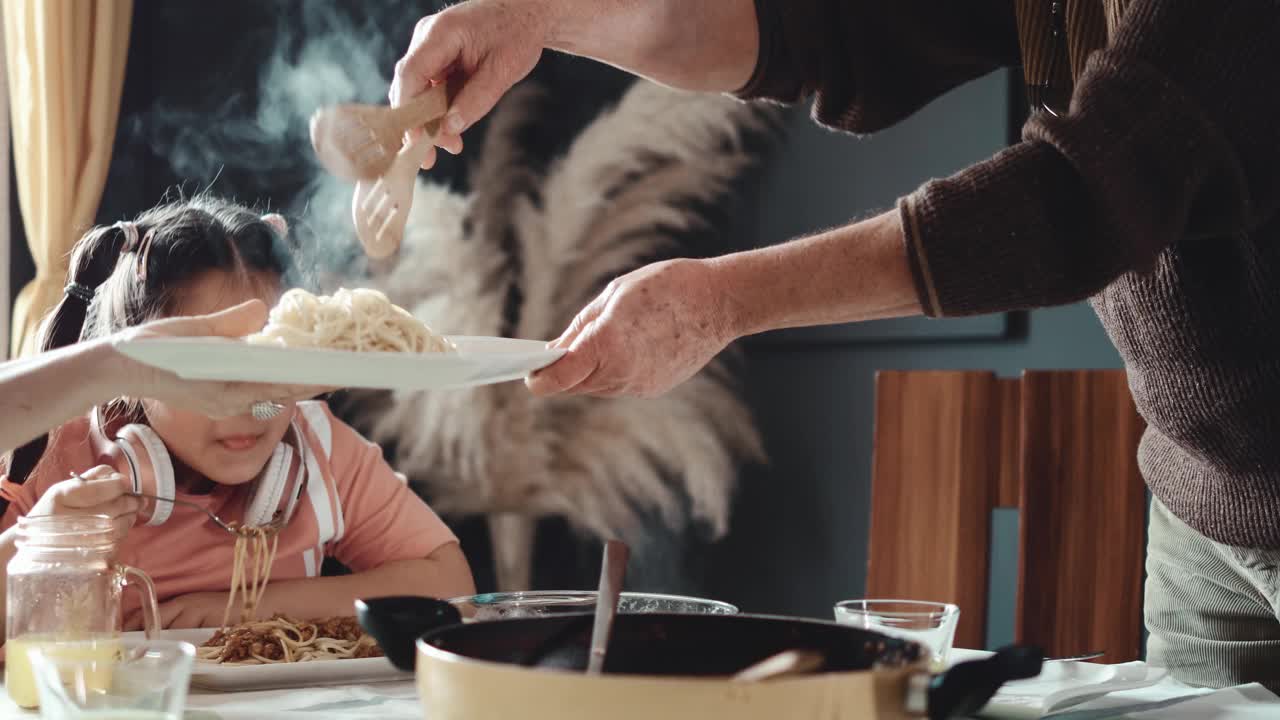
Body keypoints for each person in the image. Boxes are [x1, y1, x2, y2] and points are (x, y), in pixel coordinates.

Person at [389, 0, 1280, 690]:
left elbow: (1080, 198)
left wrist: (725, 302)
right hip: (1202, 499)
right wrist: (541, 18)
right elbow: (824, 25)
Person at [0, 197, 475, 634]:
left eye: (267, 362)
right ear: (135, 373)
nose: (246, 403)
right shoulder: (60, 451)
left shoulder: (318, 447)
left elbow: (453, 585)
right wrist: (42, 547)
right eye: (213, 368)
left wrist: (245, 608)